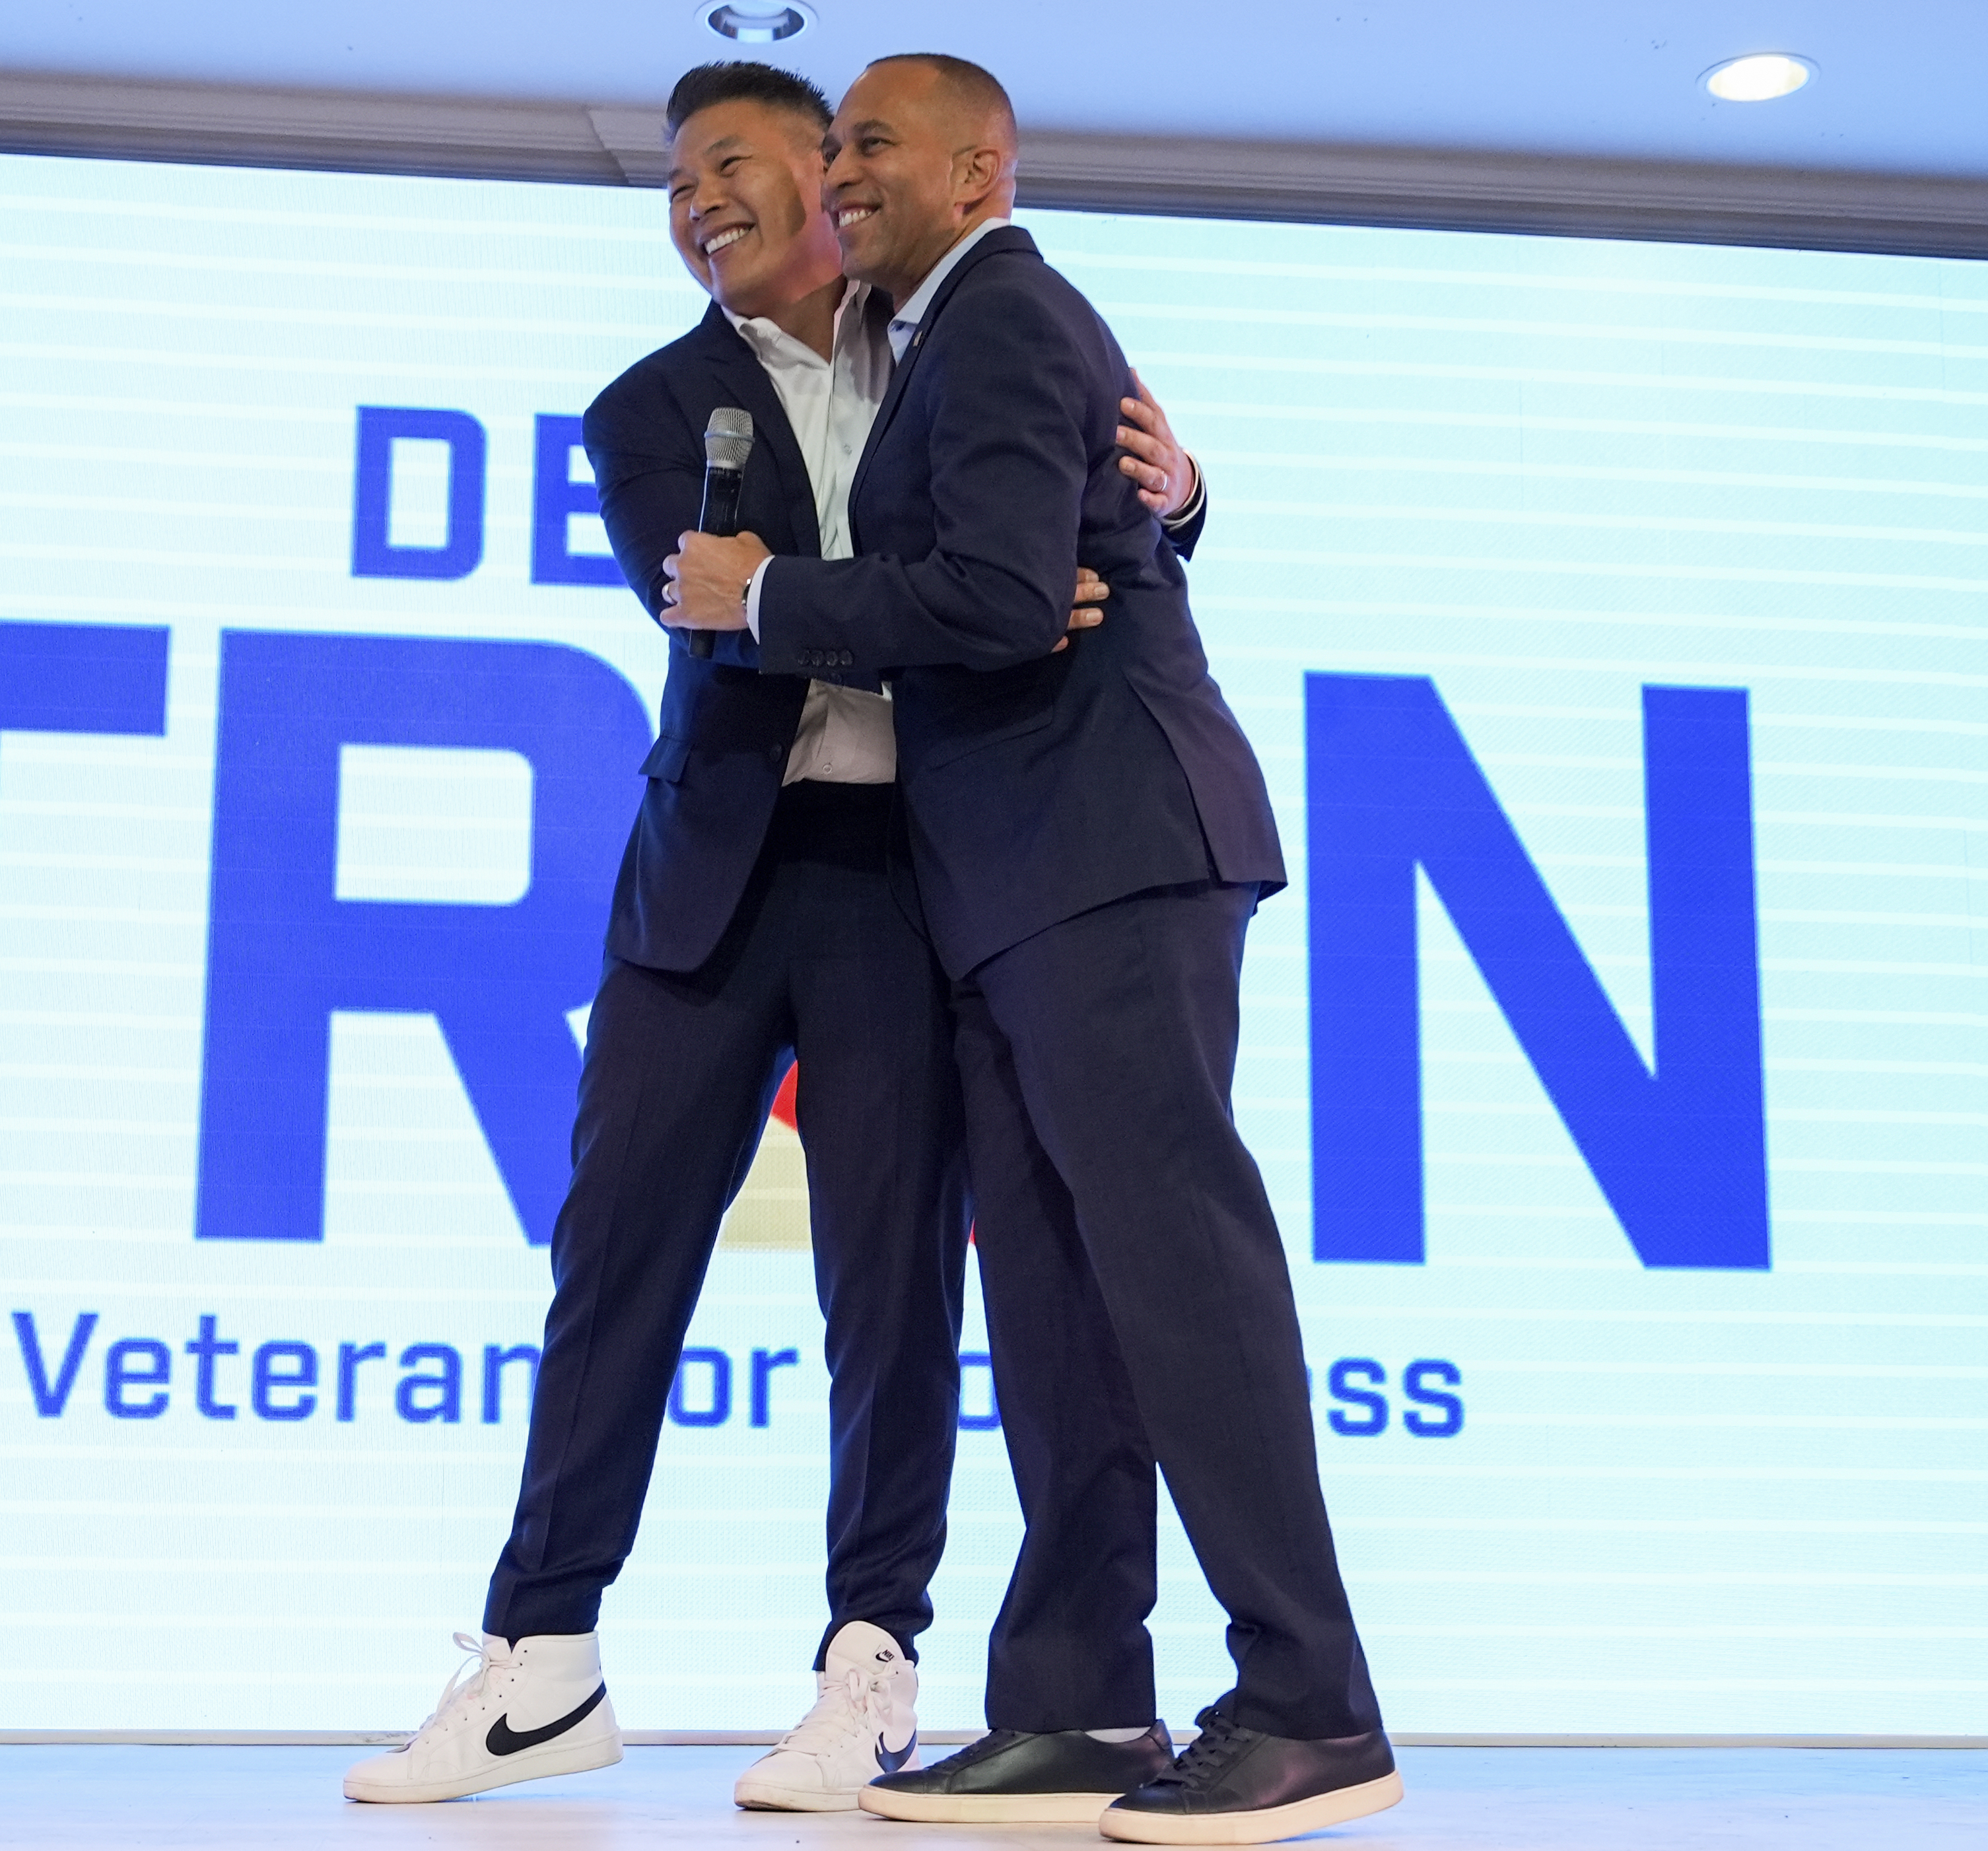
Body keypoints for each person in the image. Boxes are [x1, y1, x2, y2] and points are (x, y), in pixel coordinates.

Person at [344, 59, 1207, 1814]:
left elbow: (1084, 531)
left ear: (831, 168)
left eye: (724, 164)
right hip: (708, 888)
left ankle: (868, 1661)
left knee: (888, 1291)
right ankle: (538, 1659)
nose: (692, 204)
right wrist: (997, 605)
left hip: (908, 875)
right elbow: (732, 619)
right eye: (672, 185)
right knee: (616, 1269)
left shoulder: (964, 339)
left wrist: (1175, 501)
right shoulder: (647, 407)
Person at [664, 53, 1403, 1847]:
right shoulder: (944, 339)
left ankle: (1311, 1701)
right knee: (1061, 1307)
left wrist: (760, 597)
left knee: (1174, 1268)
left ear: (982, 168)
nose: (837, 170)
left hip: (1103, 852)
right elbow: (1023, 570)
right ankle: (1074, 1698)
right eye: (829, 141)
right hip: (1003, 887)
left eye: (870, 143)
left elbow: (1003, 598)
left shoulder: (1002, 314)